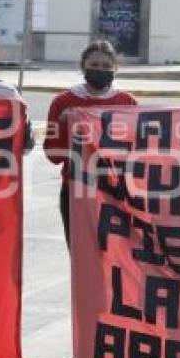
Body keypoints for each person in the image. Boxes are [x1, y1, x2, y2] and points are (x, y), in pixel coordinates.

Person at [43, 40, 137, 248]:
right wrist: (62, 124)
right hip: (76, 190)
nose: (99, 70)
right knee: (80, 253)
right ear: (83, 66)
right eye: (94, 65)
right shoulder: (63, 102)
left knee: (115, 253)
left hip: (115, 192)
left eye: (106, 66)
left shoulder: (127, 103)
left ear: (116, 69)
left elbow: (137, 151)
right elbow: (52, 154)